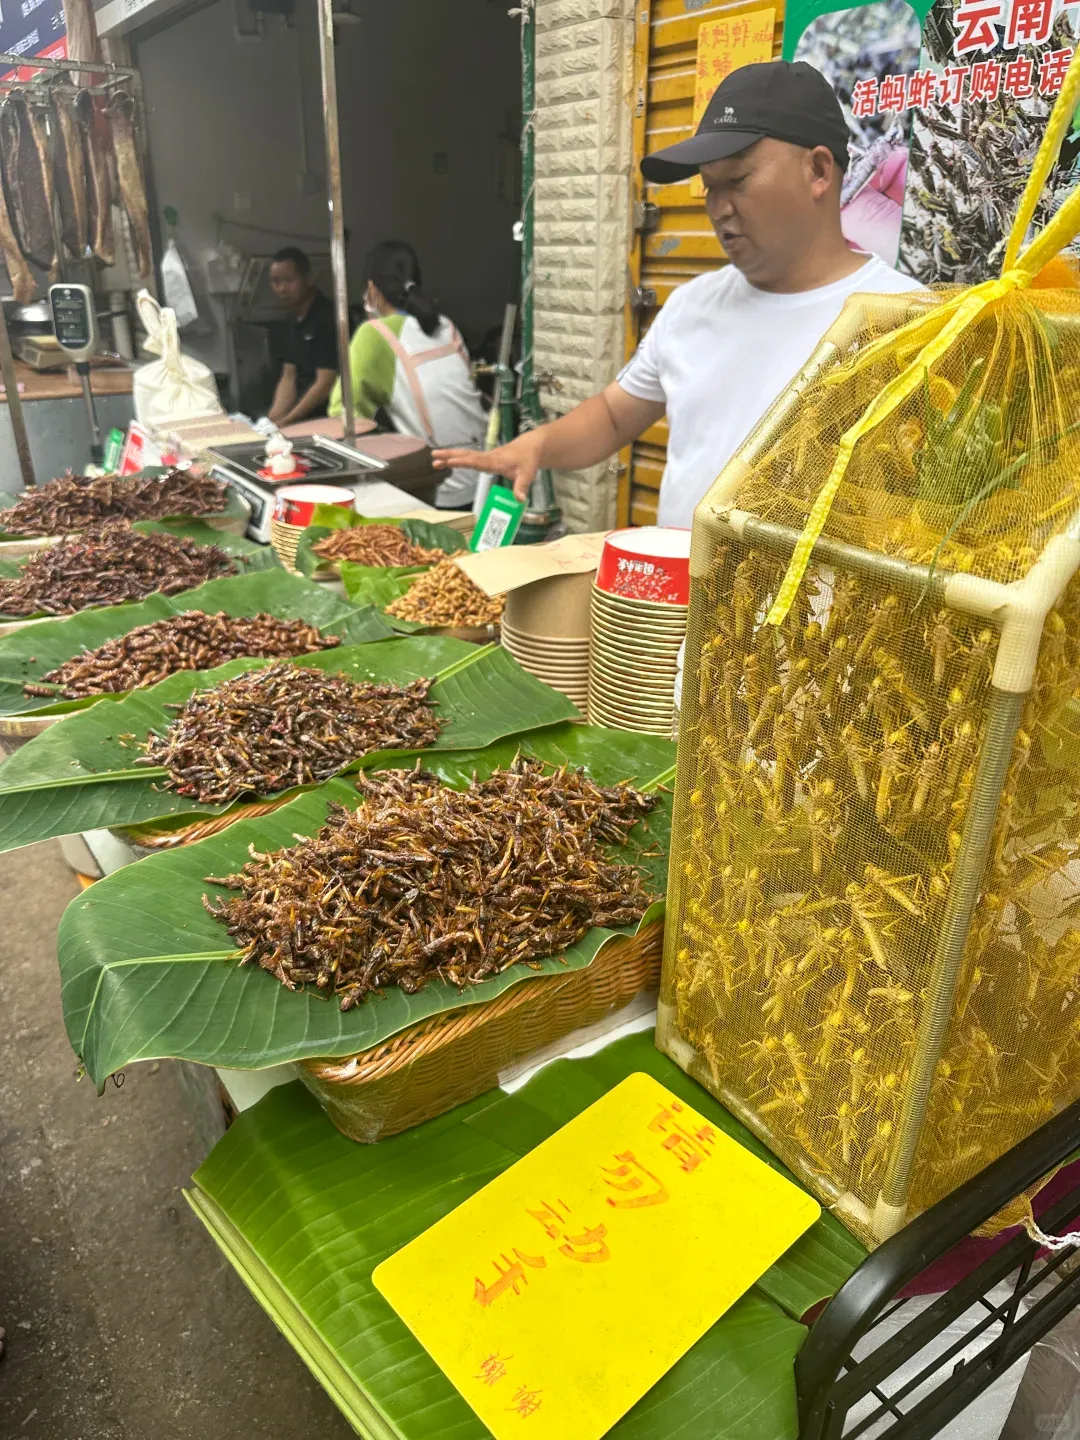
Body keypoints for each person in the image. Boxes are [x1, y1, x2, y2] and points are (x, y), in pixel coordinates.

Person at [433, 60, 923, 526]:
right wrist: (536, 447)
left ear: (818, 171)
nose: (718, 208)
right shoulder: (691, 305)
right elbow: (611, 416)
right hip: (671, 609)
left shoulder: (909, 321)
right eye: (709, 188)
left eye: (736, 180)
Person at [328, 241, 485, 509]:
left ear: (372, 290)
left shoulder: (375, 334)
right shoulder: (445, 324)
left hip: (441, 486)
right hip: (485, 475)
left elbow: (343, 420)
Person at [266, 247, 339, 427]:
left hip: (328, 418)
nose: (282, 289)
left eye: (289, 280)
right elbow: (288, 377)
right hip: (299, 418)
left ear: (307, 278)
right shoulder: (288, 323)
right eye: (276, 282)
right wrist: (272, 421)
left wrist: (288, 421)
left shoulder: (328, 317)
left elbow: (325, 384)